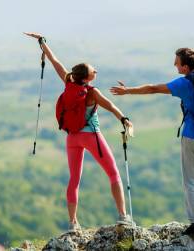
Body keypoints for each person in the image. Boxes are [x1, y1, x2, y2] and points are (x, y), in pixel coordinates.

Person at [110, 0, 194, 237]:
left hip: (192, 137)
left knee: (191, 183)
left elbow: (153, 88)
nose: (174, 65)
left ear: (185, 67)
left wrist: (127, 91)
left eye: (176, 62)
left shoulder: (184, 83)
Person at [24, 32, 134, 231]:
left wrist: (42, 43)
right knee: (113, 173)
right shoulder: (92, 92)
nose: (96, 71)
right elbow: (109, 105)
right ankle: (123, 216)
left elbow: (54, 61)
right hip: (92, 136)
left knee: (74, 179)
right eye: (94, 71)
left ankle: (73, 223)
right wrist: (124, 119)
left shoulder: (68, 81)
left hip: (72, 138)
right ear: (86, 77)